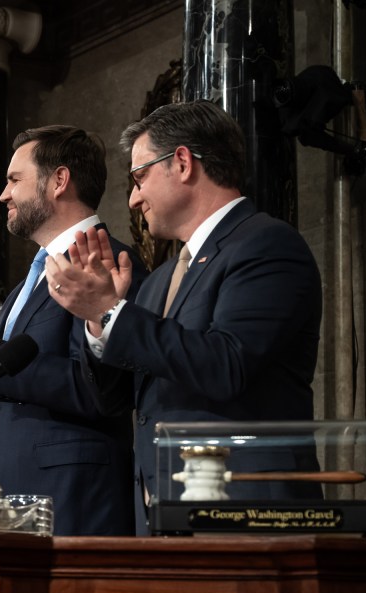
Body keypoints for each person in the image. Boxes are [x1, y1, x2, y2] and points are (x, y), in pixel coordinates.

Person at [45, 100, 323, 520]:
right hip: (163, 512)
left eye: (139, 178)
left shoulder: (267, 244)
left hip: (247, 510)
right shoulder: (158, 280)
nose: (134, 199)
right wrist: (98, 321)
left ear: (181, 162)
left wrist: (112, 311)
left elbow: (228, 363)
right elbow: (122, 398)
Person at [0, 125, 146, 535]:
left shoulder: (109, 263)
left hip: (74, 503)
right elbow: (4, 401)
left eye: (15, 180)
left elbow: (102, 392)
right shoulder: (25, 286)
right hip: (8, 504)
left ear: (59, 181)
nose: (3, 194)